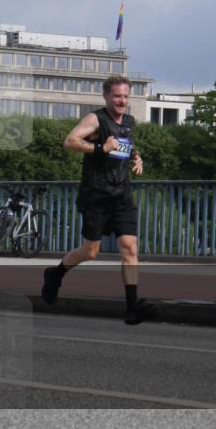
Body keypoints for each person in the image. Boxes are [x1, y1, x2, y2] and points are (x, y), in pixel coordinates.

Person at [42, 75, 157, 325]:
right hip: (96, 196)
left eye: (125, 96)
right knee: (90, 252)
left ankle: (132, 308)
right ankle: (55, 274)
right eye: (117, 96)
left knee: (130, 248)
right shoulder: (96, 119)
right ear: (106, 96)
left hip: (122, 196)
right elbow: (70, 141)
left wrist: (136, 156)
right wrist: (98, 148)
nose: (122, 101)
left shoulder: (129, 121)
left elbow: (123, 146)